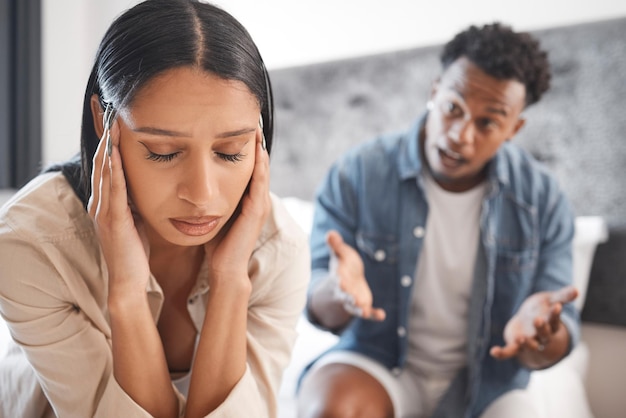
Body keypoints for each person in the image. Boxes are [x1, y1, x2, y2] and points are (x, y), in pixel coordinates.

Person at [0, 1, 309, 417]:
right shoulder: (31, 248)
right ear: (101, 119)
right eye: (163, 153)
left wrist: (231, 280)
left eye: (231, 152)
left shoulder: (278, 250)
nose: (202, 195)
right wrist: (126, 290)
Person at [298, 23, 580, 418]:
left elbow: (554, 335)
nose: (460, 135)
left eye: (488, 122)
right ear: (435, 92)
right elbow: (320, 308)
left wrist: (539, 335)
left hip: (489, 381)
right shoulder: (358, 172)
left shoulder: (542, 199)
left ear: (514, 128)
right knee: (329, 409)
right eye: (453, 108)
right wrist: (338, 290)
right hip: (377, 362)